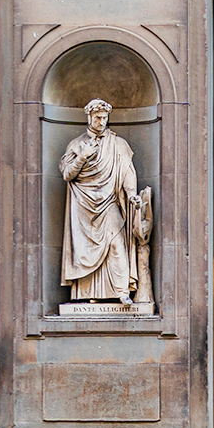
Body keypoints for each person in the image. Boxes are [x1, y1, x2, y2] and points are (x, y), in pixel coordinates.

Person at [60, 98, 143, 304]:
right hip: (84, 205)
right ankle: (90, 294)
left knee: (116, 244)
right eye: (98, 118)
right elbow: (67, 174)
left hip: (109, 202)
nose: (102, 121)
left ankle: (122, 291)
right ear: (89, 117)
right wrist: (82, 157)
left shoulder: (118, 144)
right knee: (85, 248)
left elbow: (127, 172)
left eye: (105, 118)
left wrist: (132, 193)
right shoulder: (77, 144)